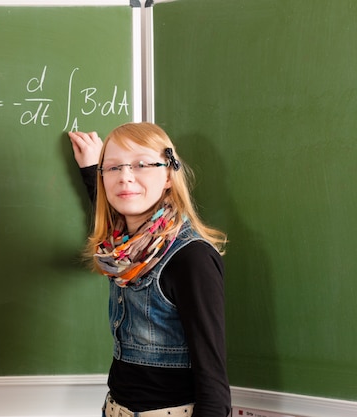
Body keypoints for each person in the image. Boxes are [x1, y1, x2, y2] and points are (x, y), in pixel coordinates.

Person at [68, 122, 231, 417]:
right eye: (113, 168)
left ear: (168, 174)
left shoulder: (190, 258)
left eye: (141, 164)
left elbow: (213, 379)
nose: (125, 178)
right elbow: (114, 206)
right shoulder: (122, 246)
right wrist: (92, 169)